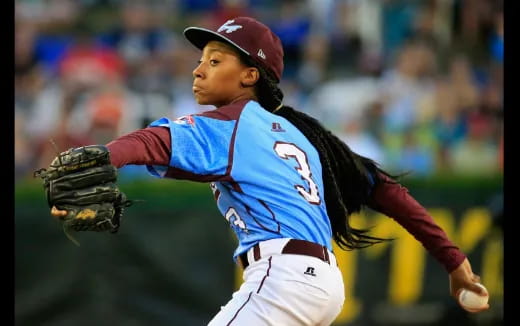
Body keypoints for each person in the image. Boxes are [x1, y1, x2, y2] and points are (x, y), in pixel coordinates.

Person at [51, 16, 489, 325]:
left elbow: (155, 141)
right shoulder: (305, 135)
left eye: (216, 60)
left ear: (250, 76)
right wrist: (455, 263)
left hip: (282, 281)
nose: (198, 69)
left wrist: (104, 157)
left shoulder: (230, 126)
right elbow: (390, 191)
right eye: (202, 58)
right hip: (323, 287)